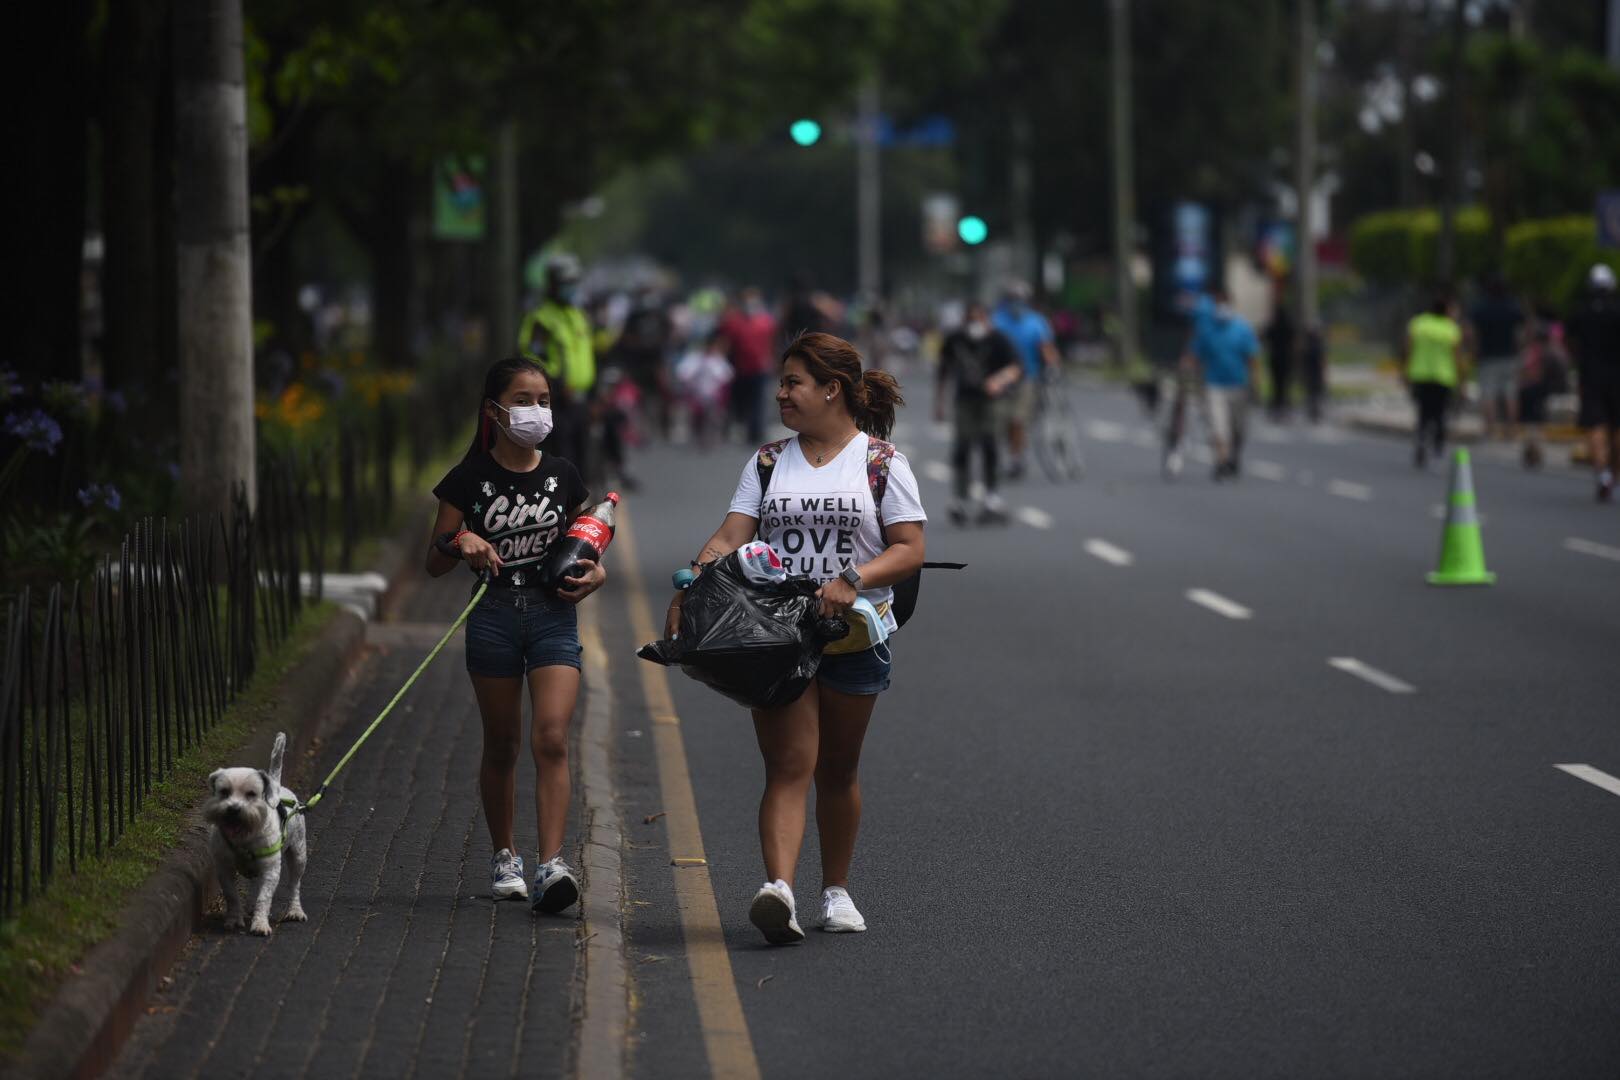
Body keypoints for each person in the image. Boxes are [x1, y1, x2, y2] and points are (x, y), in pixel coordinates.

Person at [668, 332, 926, 944]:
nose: (781, 393)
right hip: (775, 636)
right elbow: (731, 536)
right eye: (782, 383)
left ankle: (835, 892)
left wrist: (851, 578)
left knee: (837, 771)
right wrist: (695, 577)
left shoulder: (880, 462)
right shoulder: (765, 462)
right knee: (787, 765)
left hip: (854, 633)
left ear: (830, 389)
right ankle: (778, 890)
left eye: (793, 383)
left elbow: (911, 549)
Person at [425, 358, 607, 913]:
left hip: (553, 616)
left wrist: (597, 572)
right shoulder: (468, 478)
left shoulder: (563, 474)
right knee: (502, 743)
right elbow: (433, 560)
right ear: (494, 410)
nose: (536, 410)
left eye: (544, 400)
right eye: (523, 400)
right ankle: (505, 855)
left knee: (551, 737)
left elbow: (586, 539)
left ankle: (552, 864)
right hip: (494, 615)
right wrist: (463, 544)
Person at [935, 301, 1022, 524]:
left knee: (989, 444)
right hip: (964, 399)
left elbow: (1015, 367)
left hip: (991, 400)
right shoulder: (955, 339)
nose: (975, 325)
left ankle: (991, 496)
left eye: (979, 319)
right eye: (971, 320)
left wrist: (999, 380)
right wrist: (939, 402)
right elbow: (943, 370)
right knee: (962, 446)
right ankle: (960, 498)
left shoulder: (998, 339)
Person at [518, 255, 597, 472]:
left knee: (582, 466)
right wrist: (557, 386)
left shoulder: (577, 315)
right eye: (565, 283)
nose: (571, 288)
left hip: (580, 400)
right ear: (553, 285)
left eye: (573, 283)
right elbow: (533, 359)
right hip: (557, 403)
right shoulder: (542, 319)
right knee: (561, 465)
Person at [1186, 288, 1262, 480]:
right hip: (1214, 386)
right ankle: (1221, 461)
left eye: (1224, 303)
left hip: (1239, 386)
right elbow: (1194, 356)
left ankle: (1233, 456)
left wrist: (1255, 384)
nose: (1221, 308)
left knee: (1238, 429)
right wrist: (1187, 372)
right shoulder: (1207, 330)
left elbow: (1252, 358)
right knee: (1219, 428)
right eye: (1218, 304)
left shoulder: (1242, 329)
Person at [991, 281, 1060, 479]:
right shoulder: (997, 320)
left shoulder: (1036, 322)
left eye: (1019, 299)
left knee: (1018, 420)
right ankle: (1006, 452)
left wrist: (1052, 367)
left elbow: (1047, 348)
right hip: (1001, 380)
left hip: (1027, 379)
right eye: (1012, 299)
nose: (1016, 303)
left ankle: (1016, 458)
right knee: (1001, 423)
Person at [1566, 263, 1620, 501]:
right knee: (1616, 429)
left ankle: (1603, 474)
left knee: (1596, 425)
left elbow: (1570, 343)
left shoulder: (1581, 313)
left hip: (1591, 378)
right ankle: (1614, 476)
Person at [1402, 295, 1465, 469]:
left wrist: (1405, 371)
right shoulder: (1451, 329)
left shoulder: (1418, 324)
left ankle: (1421, 439)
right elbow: (1457, 356)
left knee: (1423, 411)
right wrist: (1462, 379)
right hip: (1443, 377)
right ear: (1446, 310)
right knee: (1440, 413)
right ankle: (1438, 444)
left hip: (1420, 374)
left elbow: (1408, 348)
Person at [1468, 276, 1526, 441]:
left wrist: (1473, 350)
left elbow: (1471, 332)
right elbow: (1524, 328)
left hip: (1487, 357)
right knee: (1511, 393)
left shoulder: (1481, 308)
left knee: (1489, 393)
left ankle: (1490, 428)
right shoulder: (1513, 307)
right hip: (1510, 355)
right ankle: (1511, 429)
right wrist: (1521, 347)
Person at [718, 287, 778, 443]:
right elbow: (724, 341)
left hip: (759, 368)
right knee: (738, 402)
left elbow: (773, 343)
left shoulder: (766, 322)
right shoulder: (733, 322)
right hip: (738, 369)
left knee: (758, 402)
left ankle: (755, 432)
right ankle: (734, 427)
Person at [674, 330, 734, 448]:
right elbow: (683, 373)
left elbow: (727, 375)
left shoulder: (718, 360)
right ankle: (698, 437)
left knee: (713, 417)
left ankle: (711, 438)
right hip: (696, 394)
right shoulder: (695, 358)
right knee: (697, 417)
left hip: (713, 395)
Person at [1263, 300, 1296, 420]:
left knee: (1276, 384)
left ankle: (1277, 406)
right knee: (1285, 384)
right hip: (1287, 359)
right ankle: (1285, 406)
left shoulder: (1273, 326)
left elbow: (1265, 337)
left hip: (1275, 359)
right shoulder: (1289, 325)